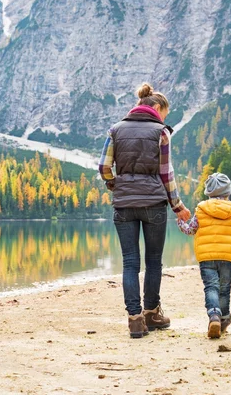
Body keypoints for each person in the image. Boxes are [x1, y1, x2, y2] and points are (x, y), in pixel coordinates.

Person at [99, 83, 191, 338]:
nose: (164, 119)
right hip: (153, 204)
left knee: (130, 262)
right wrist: (178, 206)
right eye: (165, 113)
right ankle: (152, 313)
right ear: (157, 108)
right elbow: (166, 173)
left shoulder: (115, 130)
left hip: (124, 204)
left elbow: (104, 167)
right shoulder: (160, 132)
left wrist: (116, 184)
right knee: (153, 261)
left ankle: (135, 319)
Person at [177, 172, 231, 339]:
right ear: (228, 193)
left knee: (211, 287)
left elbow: (191, 230)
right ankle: (224, 319)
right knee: (224, 288)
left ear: (208, 192)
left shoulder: (201, 209)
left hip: (206, 257)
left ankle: (213, 314)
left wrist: (180, 221)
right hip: (227, 256)